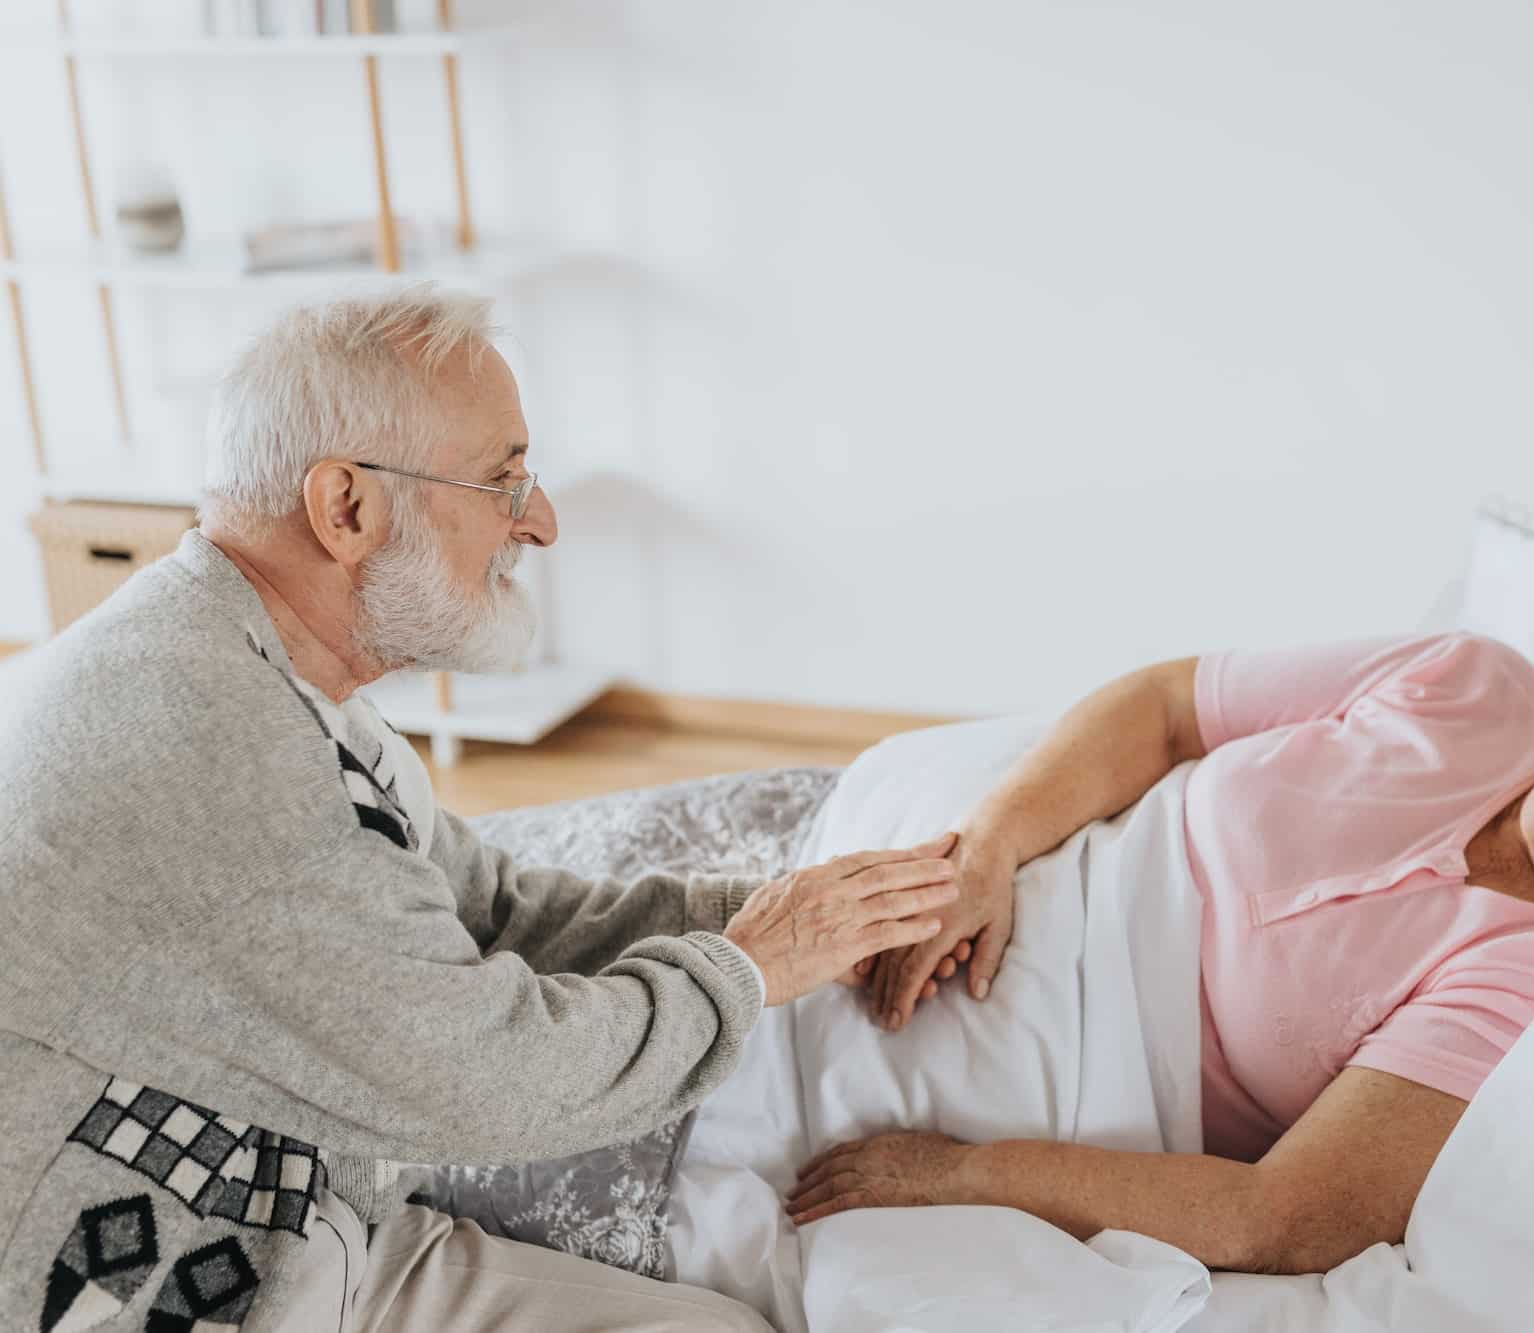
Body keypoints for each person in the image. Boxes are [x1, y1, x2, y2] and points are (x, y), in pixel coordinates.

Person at [0, 287, 959, 1332]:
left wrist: (782, 913)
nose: (537, 522)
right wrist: (749, 969)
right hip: (186, 1294)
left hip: (310, 1232)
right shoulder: (207, 742)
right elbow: (495, 1080)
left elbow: (487, 909)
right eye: (502, 481)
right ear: (347, 508)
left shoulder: (270, 673)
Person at [787, 630, 1534, 1273]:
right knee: (680, 926)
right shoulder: (1472, 683)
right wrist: (983, 850)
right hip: (1005, 850)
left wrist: (953, 1175)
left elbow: (1277, 1217)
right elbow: (1160, 709)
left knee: (694, 1041)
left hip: (1037, 1048)